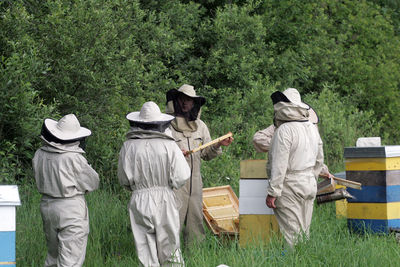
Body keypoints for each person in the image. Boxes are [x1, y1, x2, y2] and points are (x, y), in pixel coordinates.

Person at [118, 101, 190, 266]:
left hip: (139, 200)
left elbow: (123, 179)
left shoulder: (128, 146)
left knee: (146, 254)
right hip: (164, 198)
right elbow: (182, 175)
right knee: (170, 251)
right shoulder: (169, 145)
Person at [165, 84, 233, 245]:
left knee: (195, 224)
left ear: (194, 103)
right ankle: (170, 257)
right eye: (182, 99)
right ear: (176, 101)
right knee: (172, 221)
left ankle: (195, 258)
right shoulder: (166, 125)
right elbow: (160, 154)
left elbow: (206, 154)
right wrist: (175, 154)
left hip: (195, 182)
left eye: (189, 100)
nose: (185, 103)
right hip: (174, 183)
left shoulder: (201, 126)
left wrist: (218, 145)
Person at [32, 114, 99, 267]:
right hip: (71, 208)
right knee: (71, 260)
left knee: (53, 257)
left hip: (47, 206)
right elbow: (93, 182)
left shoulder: (39, 154)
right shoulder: (74, 158)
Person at [264, 88, 324, 247]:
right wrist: (312, 179)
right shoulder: (312, 127)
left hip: (290, 186)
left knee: (292, 236)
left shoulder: (284, 130)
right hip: (309, 183)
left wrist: (273, 192)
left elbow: (279, 164)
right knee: (304, 233)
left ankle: (294, 262)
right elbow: (320, 159)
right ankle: (304, 261)